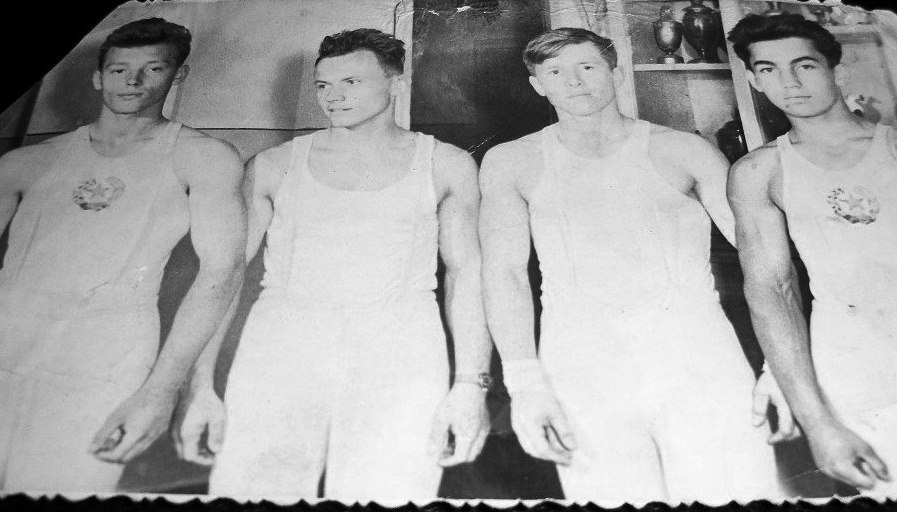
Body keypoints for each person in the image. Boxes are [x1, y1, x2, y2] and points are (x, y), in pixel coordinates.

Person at [173, 28, 492, 500]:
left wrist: (470, 385)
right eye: (323, 85)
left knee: (391, 494)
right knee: (254, 491)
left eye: (351, 82)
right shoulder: (274, 164)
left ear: (396, 83)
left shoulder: (445, 164)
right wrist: (198, 383)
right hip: (284, 348)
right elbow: (223, 275)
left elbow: (465, 276)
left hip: (401, 349)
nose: (333, 97)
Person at [479, 27, 781, 503]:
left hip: (697, 360)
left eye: (587, 67)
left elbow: (762, 258)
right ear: (538, 85)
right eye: (555, 72)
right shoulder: (510, 161)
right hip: (583, 365)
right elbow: (504, 274)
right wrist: (525, 383)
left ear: (616, 73)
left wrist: (778, 365)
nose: (575, 81)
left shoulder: (684, 150)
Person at [0, 18, 246, 492]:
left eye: (152, 68)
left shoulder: (202, 157)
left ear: (178, 74)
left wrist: (160, 391)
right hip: (10, 336)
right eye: (118, 70)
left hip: (108, 355)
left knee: (64, 489)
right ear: (98, 77)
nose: (132, 82)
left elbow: (224, 269)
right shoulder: (28, 162)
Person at [728, 13, 896, 497]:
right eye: (769, 69)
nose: (790, 83)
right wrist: (818, 423)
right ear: (754, 81)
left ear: (836, 71)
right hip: (854, 369)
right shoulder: (758, 172)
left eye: (804, 65)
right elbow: (772, 294)